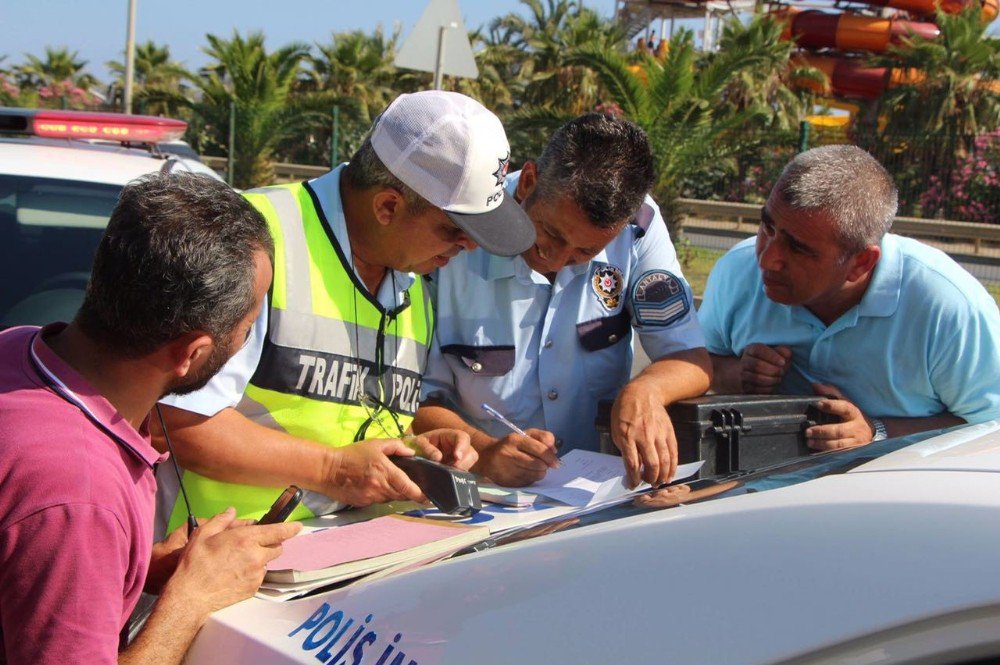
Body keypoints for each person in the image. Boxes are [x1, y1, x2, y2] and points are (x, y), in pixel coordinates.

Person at [158, 91, 536, 529]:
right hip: (221, 566)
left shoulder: (412, 279)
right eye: (454, 229)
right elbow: (175, 421)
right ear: (388, 206)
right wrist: (333, 471)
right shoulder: (250, 239)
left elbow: (343, 423)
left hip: (343, 565)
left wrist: (413, 447)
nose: (468, 246)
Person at [0, 173, 302, 663]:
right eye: (248, 328)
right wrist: (193, 598)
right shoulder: (79, 493)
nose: (248, 339)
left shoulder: (19, 347)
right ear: (191, 352)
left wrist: (143, 566)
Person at [412, 113, 712, 489]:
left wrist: (647, 390)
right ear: (529, 183)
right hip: (475, 489)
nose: (554, 260)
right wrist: (485, 451)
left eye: (585, 251)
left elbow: (690, 359)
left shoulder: (639, 229)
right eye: (549, 234)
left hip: (592, 493)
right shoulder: (460, 226)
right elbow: (406, 400)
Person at [698, 144, 1000, 449]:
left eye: (799, 248)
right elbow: (696, 364)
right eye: (768, 227)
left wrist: (876, 432)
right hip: (754, 489)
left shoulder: (947, 307)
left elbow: (991, 426)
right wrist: (739, 374)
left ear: (861, 263)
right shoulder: (737, 271)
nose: (766, 259)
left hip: (892, 489)